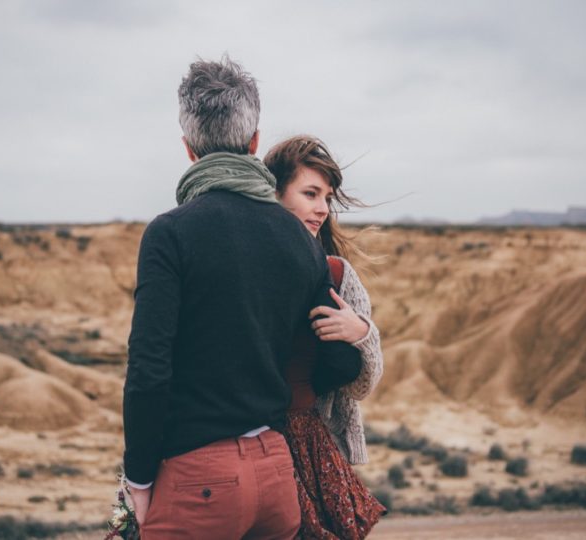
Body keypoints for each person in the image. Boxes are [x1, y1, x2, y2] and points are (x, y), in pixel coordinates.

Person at [120, 57, 363, 540]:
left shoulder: (169, 234)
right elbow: (337, 366)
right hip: (277, 475)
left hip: (196, 479)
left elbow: (149, 370)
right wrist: (358, 333)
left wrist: (138, 480)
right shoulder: (297, 239)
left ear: (189, 148)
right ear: (253, 142)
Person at [264, 136, 386, 539]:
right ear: (275, 193)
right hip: (251, 445)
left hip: (319, 450)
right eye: (310, 193)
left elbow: (364, 385)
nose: (322, 208)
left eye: (327, 197)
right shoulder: (249, 266)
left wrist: (362, 334)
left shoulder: (338, 275)